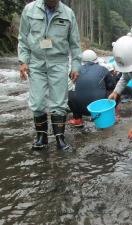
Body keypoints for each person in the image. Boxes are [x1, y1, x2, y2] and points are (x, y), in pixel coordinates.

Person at [18, 0, 81, 150]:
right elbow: (23, 38)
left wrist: (76, 66)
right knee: (37, 101)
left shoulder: (68, 14)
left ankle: (60, 138)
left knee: (59, 103)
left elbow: (75, 43)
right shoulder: (29, 10)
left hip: (58, 62)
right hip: (36, 62)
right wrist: (23, 61)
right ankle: (42, 137)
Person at [67, 50, 116, 127]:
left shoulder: (76, 70)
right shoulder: (103, 69)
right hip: (99, 109)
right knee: (115, 92)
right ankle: (113, 115)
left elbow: (71, 77)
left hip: (82, 109)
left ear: (82, 61)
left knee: (70, 94)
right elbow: (112, 86)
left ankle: (77, 119)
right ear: (96, 60)